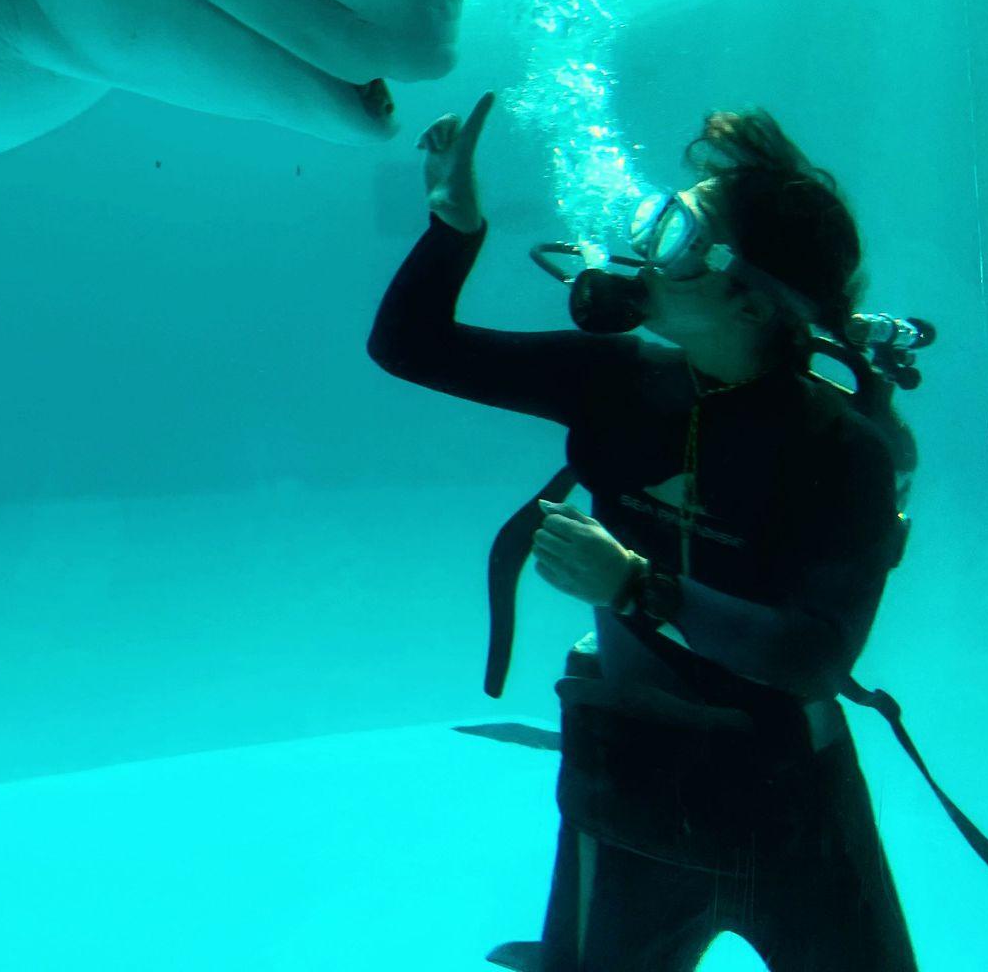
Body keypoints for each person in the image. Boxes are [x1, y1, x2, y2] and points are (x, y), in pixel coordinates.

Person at [367, 92, 918, 972]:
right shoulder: (614, 378)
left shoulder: (844, 450)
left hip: (791, 807)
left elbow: (814, 656)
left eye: (675, 236)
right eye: (654, 220)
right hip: (631, 780)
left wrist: (635, 587)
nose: (640, 252)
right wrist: (452, 226)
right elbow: (410, 348)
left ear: (748, 294)